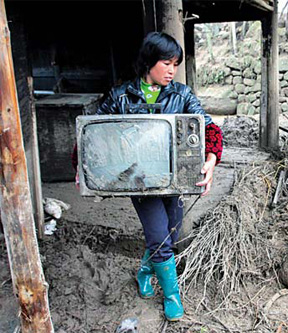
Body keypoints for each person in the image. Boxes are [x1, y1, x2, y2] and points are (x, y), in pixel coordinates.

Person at [72, 32, 223, 321]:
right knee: (159, 235)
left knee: (169, 233)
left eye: (175, 64)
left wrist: (212, 158)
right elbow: (92, 137)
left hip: (174, 180)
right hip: (138, 180)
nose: (171, 70)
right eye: (166, 63)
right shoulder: (120, 97)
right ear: (148, 62)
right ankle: (171, 295)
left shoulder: (182, 94)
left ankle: (144, 270)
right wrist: (83, 168)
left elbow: (210, 129)